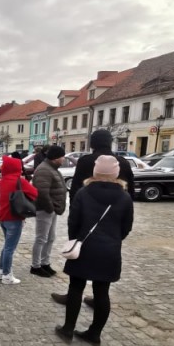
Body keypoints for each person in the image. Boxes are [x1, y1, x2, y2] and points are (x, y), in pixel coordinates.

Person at [54, 155, 134, 346]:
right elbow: (126, 227)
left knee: (75, 288)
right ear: (116, 173)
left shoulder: (84, 192)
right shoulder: (124, 197)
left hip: (84, 247)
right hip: (109, 250)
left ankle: (68, 329)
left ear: (95, 172)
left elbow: (73, 222)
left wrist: (76, 240)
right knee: (102, 292)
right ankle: (94, 334)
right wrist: (113, 239)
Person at [52, 129, 135, 306]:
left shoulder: (86, 161)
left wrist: (75, 221)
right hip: (113, 222)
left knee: (78, 260)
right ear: (110, 142)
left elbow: (75, 191)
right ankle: (99, 299)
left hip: (85, 220)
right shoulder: (123, 163)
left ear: (92, 143)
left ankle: (72, 296)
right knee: (104, 271)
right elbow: (131, 193)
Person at [0, 155, 38, 284]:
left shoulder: (3, 180)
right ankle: (7, 275)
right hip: (14, 217)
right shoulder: (19, 181)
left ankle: (0, 270)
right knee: (10, 248)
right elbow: (35, 193)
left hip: (2, 216)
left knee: (7, 245)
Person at [30, 145, 67, 278]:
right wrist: (50, 207)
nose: (63, 159)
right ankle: (35, 266)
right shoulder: (44, 169)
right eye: (62, 156)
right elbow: (42, 192)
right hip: (45, 209)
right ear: (55, 157)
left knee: (50, 238)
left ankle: (45, 262)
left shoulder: (52, 168)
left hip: (52, 209)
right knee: (41, 238)